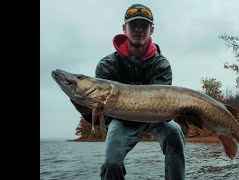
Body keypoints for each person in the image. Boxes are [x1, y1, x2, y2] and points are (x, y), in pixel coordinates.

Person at [70, 4, 185, 180]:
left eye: (144, 25)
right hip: (122, 121)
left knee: (175, 134)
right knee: (111, 164)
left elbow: (165, 110)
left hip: (155, 118)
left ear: (151, 30)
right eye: (133, 25)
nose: (139, 29)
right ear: (124, 28)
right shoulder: (106, 66)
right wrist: (86, 110)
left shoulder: (162, 65)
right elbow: (104, 116)